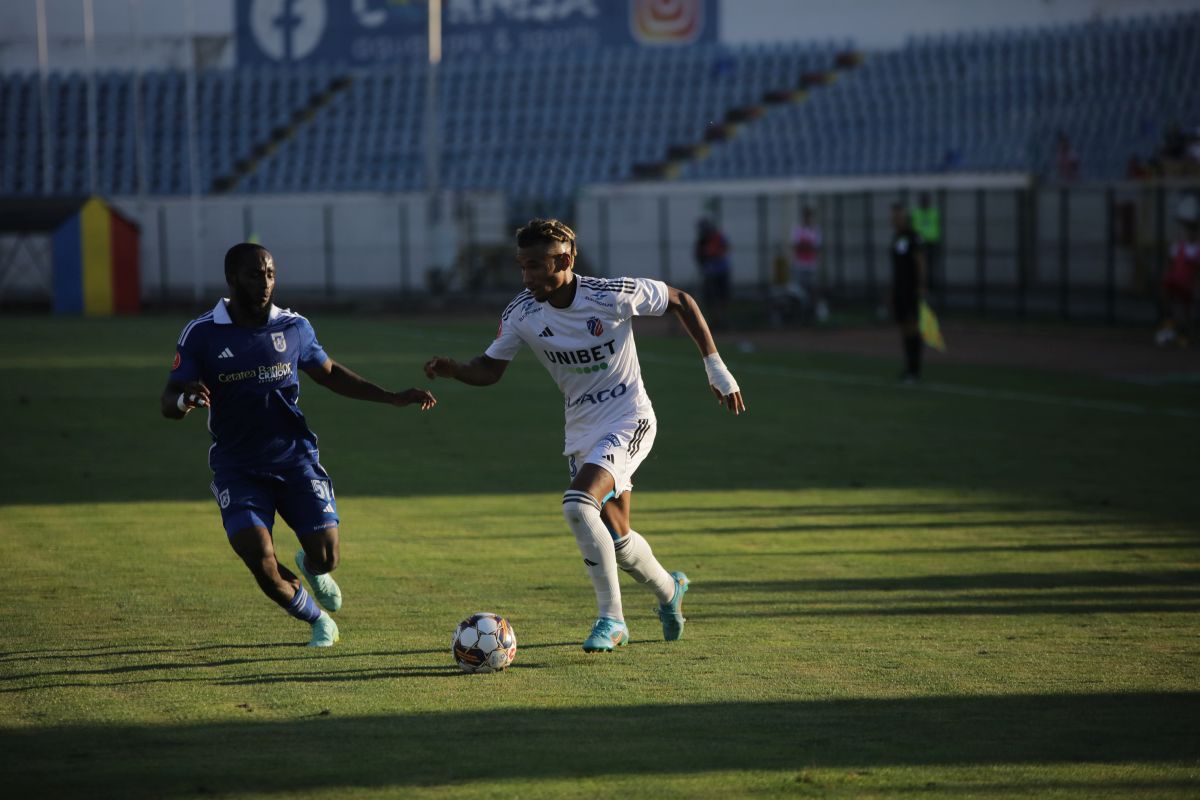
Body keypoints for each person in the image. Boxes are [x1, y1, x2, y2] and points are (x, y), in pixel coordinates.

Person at [424, 219, 745, 653]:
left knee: (577, 505)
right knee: (618, 539)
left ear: (566, 259)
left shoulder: (610, 294)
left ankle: (612, 620)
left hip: (630, 418)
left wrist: (716, 367)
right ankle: (670, 591)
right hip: (581, 428)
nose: (527, 277)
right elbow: (490, 369)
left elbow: (681, 300)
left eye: (537, 265)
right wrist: (456, 369)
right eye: (522, 266)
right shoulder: (522, 312)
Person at [160, 243, 437, 647]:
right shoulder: (202, 333)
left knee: (328, 558)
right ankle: (318, 619)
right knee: (259, 558)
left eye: (270, 273)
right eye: (255, 274)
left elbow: (329, 373)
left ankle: (311, 564)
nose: (265, 282)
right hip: (238, 467)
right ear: (232, 279)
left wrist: (391, 396)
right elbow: (168, 400)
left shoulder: (293, 326)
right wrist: (185, 399)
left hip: (295, 459)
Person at [888, 203, 927, 383]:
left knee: (913, 327)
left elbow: (920, 261)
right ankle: (909, 368)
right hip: (900, 290)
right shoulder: (896, 238)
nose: (894, 219)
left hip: (911, 289)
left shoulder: (913, 237)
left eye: (897, 216)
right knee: (904, 327)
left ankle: (915, 369)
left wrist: (920, 285)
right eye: (893, 216)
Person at [1155, 199, 1200, 347]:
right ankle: (1169, 331)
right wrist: (1165, 277)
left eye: (1194, 232)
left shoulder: (1197, 250)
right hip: (1174, 280)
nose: (1191, 234)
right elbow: (1169, 263)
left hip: (1187, 284)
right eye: (1189, 231)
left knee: (1186, 311)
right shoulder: (1178, 246)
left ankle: (1184, 335)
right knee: (1169, 304)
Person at [790, 206, 827, 321]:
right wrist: (806, 246)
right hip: (800, 264)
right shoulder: (797, 230)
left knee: (813, 289)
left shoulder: (815, 231)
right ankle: (800, 313)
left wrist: (807, 247)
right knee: (799, 290)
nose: (808, 219)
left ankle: (813, 312)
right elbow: (796, 246)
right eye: (806, 216)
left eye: (809, 217)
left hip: (811, 265)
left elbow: (816, 248)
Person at [693, 218, 731, 329]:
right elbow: (698, 255)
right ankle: (714, 320)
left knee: (722, 297)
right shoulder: (701, 241)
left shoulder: (718, 237)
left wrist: (712, 254)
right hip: (709, 273)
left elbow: (724, 249)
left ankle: (723, 320)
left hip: (721, 272)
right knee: (710, 298)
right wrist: (704, 261)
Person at [910, 192, 941, 299]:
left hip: (931, 243)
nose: (925, 202)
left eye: (926, 200)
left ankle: (929, 288)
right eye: (923, 200)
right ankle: (920, 287)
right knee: (919, 267)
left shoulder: (934, 213)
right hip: (919, 244)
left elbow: (937, 227)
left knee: (930, 267)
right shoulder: (916, 213)